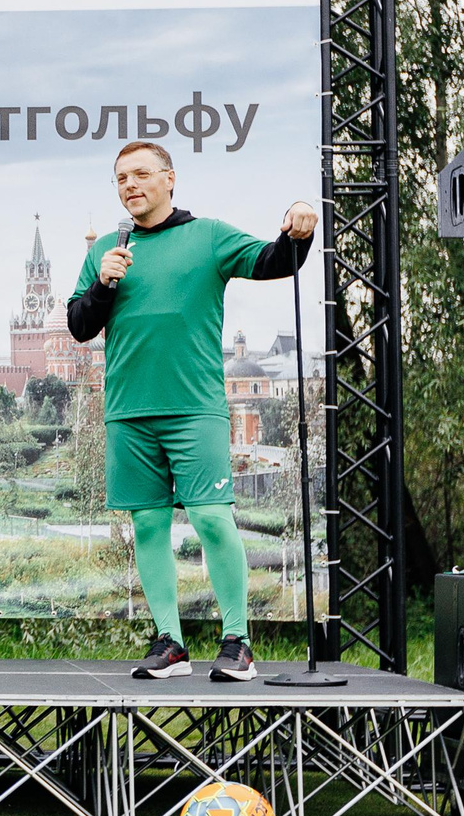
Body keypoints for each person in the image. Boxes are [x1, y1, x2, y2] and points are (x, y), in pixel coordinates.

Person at [66, 140, 316, 682]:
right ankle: (171, 643)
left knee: (210, 518)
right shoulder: (106, 249)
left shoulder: (208, 236)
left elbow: (276, 261)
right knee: (148, 525)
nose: (130, 185)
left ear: (169, 178)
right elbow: (80, 326)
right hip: (129, 411)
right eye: (120, 179)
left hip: (194, 408)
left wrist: (298, 227)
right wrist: (104, 283)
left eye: (140, 174)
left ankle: (238, 641)